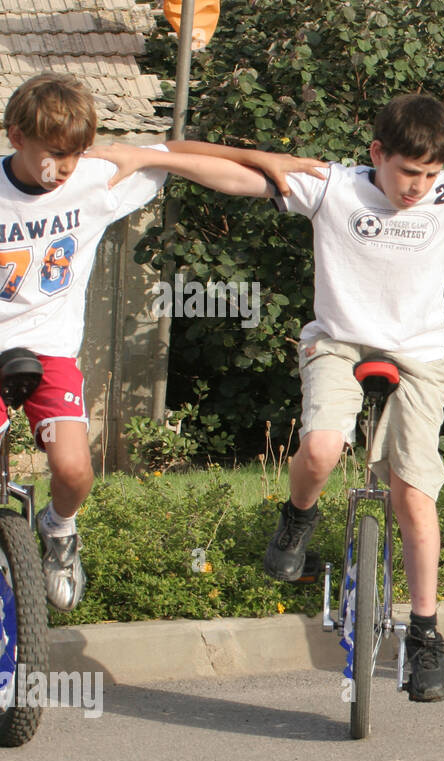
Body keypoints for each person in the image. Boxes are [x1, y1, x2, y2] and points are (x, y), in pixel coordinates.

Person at [96, 93, 444, 702]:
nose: (418, 187)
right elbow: (239, 174)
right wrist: (150, 156)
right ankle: (297, 519)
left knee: (414, 493)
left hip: (421, 357)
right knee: (321, 449)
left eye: (429, 174)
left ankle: (425, 634)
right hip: (338, 346)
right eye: (406, 172)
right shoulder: (332, 186)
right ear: (377, 153)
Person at [0, 72, 296, 612]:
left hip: (50, 351)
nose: (63, 170)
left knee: (73, 470)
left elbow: (179, 154)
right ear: (16, 136)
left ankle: (59, 531)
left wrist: (269, 164)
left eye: (75, 156)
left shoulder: (93, 178)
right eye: (54, 155)